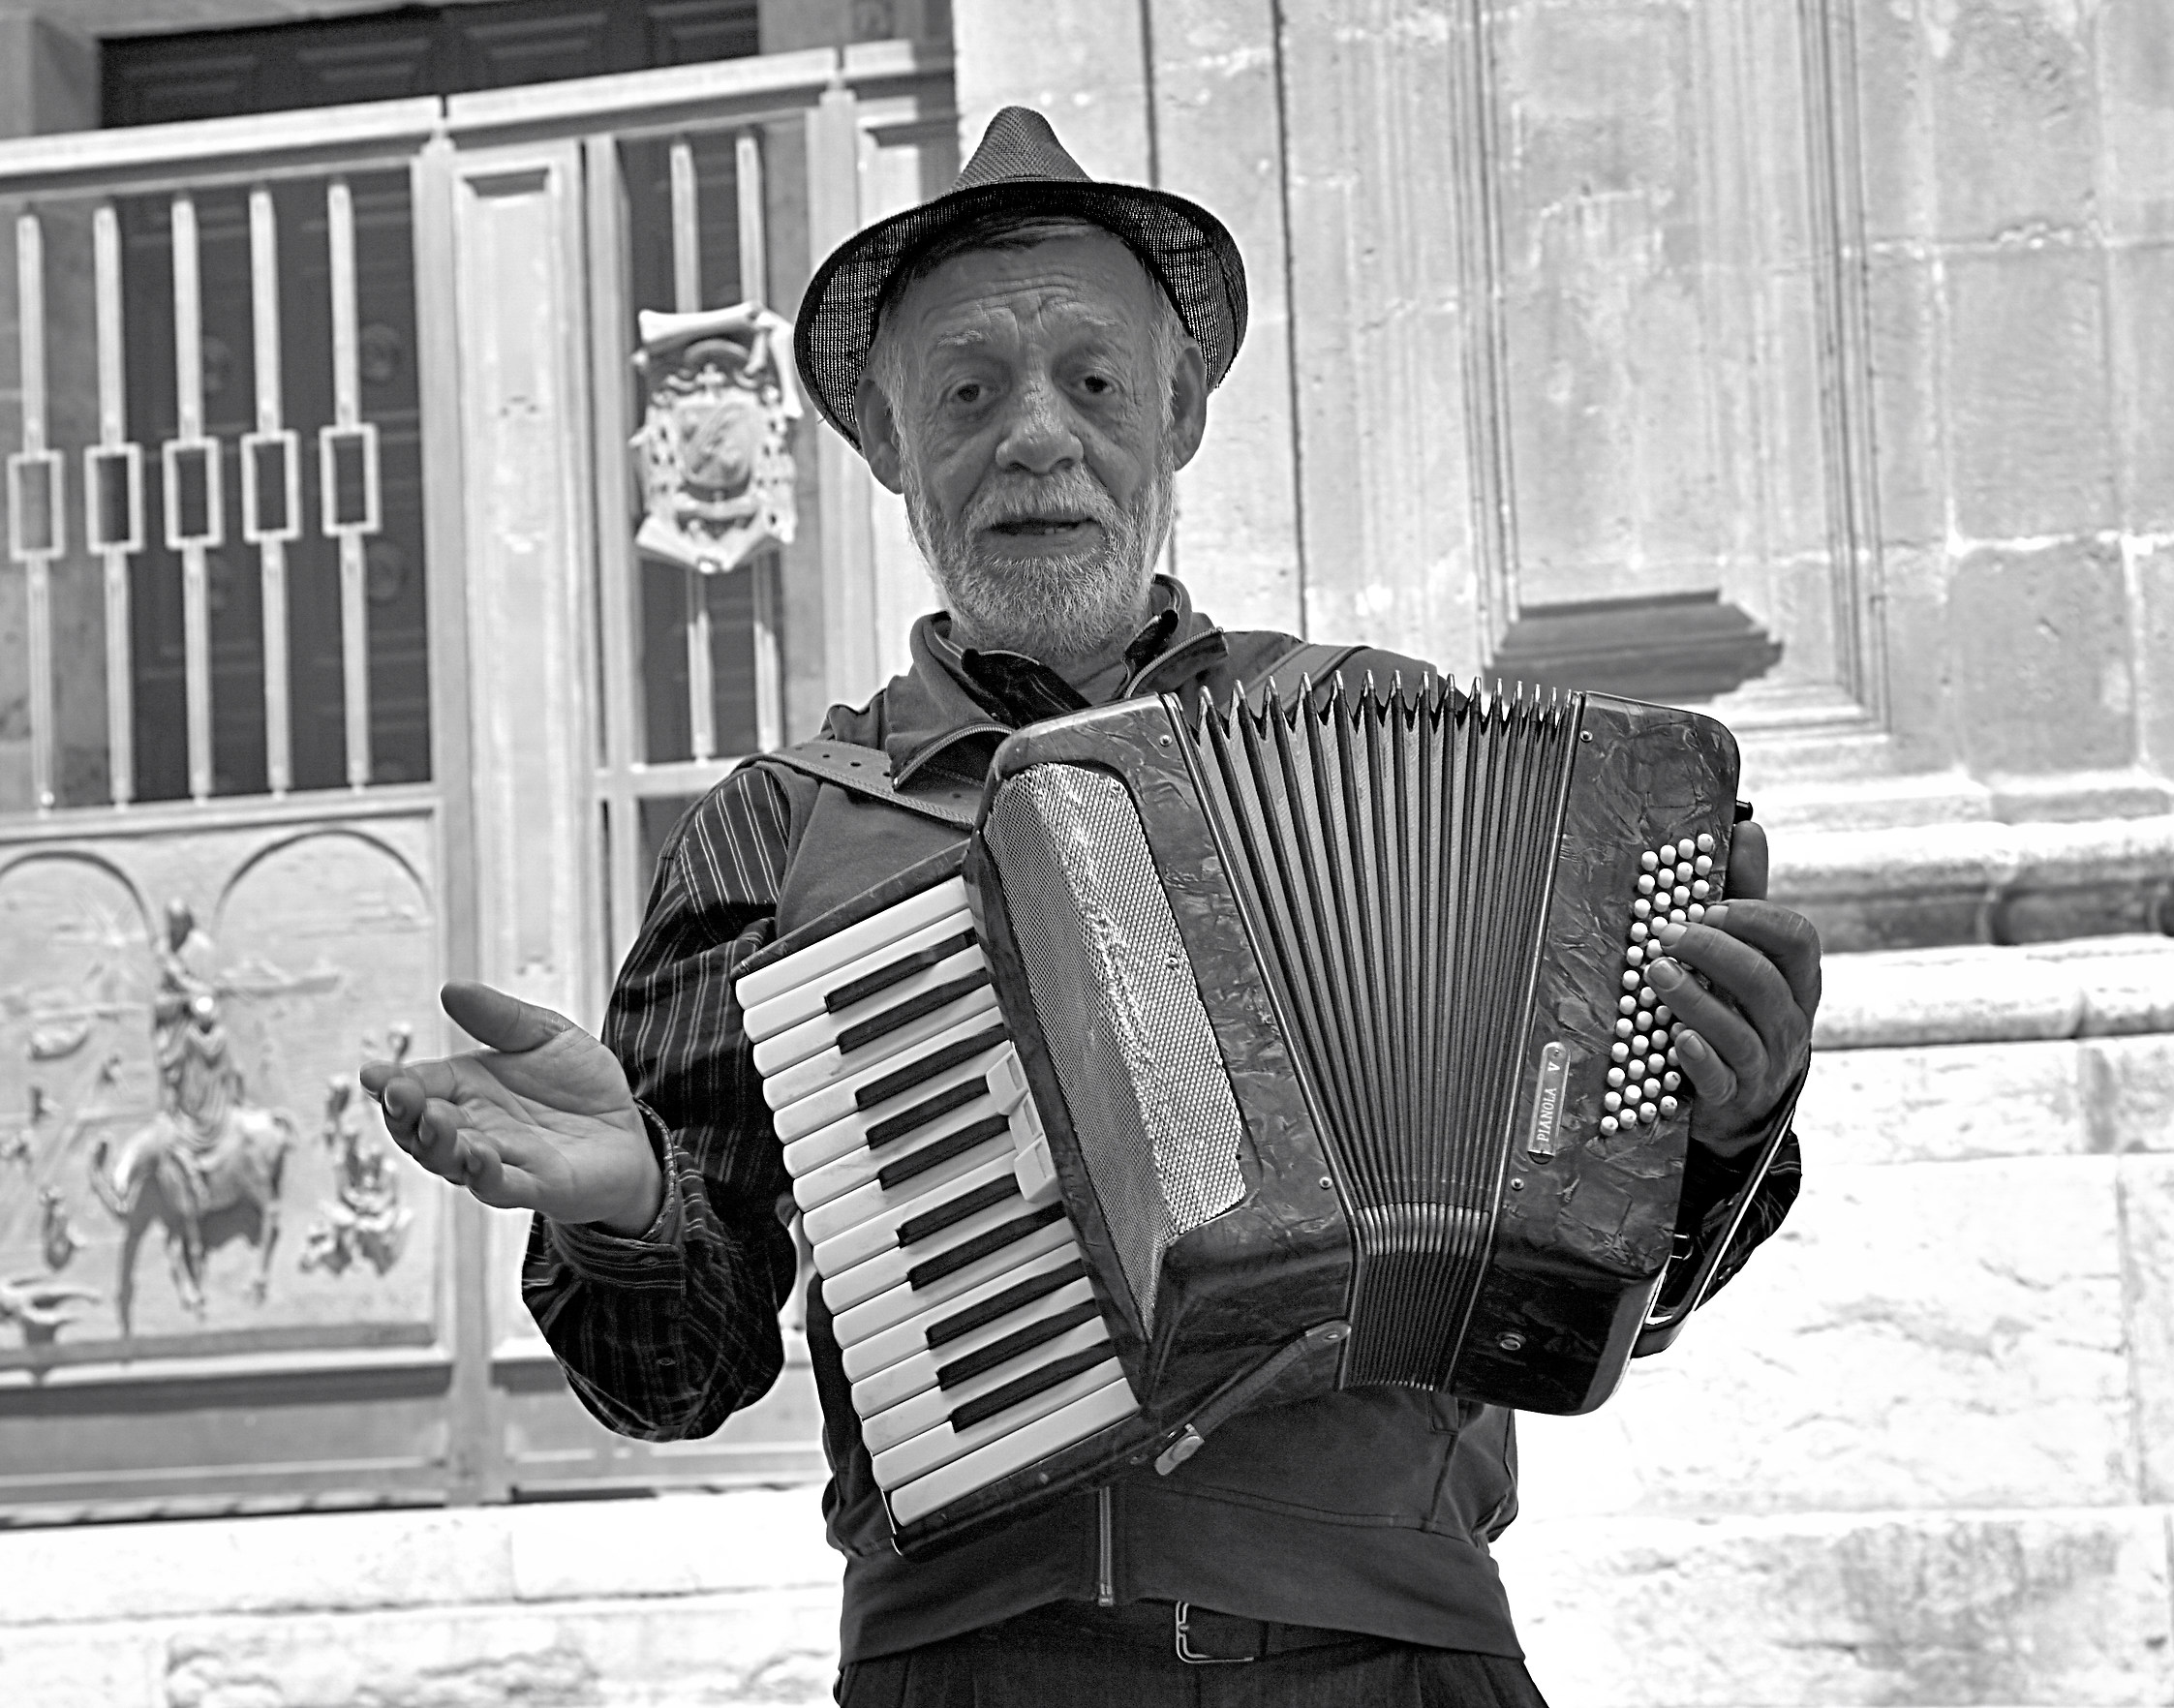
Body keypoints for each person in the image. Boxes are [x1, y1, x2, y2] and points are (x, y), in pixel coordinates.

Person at [365, 107, 1819, 1707]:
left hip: (1395, 1656)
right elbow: (677, 1378)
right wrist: (625, 1206)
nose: (1038, 437)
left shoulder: (1407, 748)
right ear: (889, 452)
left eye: (1096, 381)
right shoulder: (783, 828)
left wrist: (1728, 1135)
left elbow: (1618, 1286)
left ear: (1180, 413)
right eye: (968, 393)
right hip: (975, 1667)